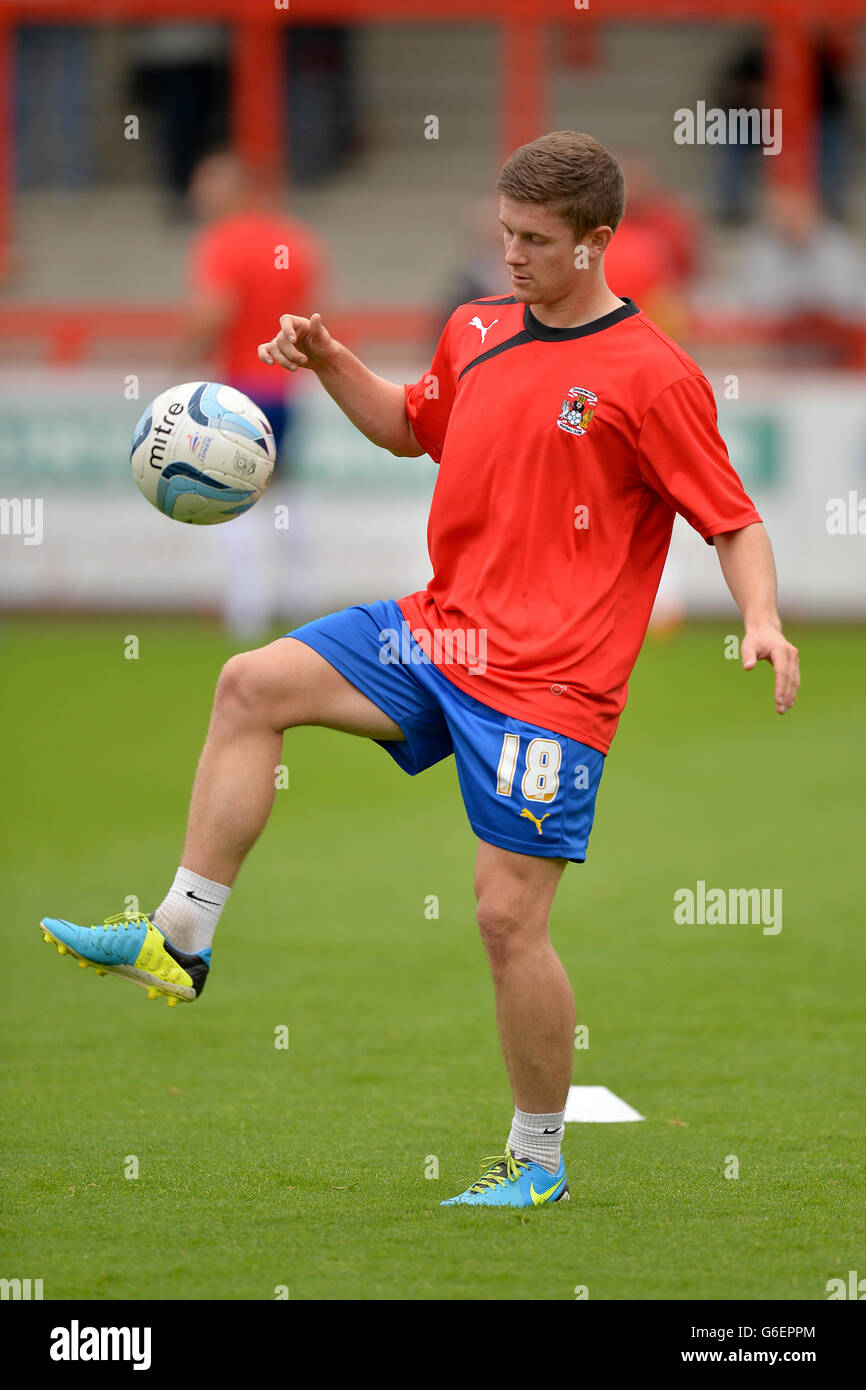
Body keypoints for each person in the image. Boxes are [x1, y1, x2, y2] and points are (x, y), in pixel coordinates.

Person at [39, 132, 800, 1210]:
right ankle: (178, 938)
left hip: (551, 684)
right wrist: (330, 361)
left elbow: (730, 520)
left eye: (536, 240)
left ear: (597, 241)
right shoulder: (476, 326)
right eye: (504, 233)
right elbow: (411, 426)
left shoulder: (654, 377)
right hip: (438, 633)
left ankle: (536, 1159)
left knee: (502, 919)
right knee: (250, 685)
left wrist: (760, 618)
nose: (513, 255)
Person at [180, 151, 327, 634]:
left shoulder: (222, 242)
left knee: (232, 491)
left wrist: (184, 354)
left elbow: (216, 308)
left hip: (239, 387)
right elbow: (316, 311)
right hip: (284, 385)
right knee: (284, 486)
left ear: (236, 189)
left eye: (210, 185)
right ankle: (301, 596)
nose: (200, 195)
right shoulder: (294, 241)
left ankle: (247, 610)